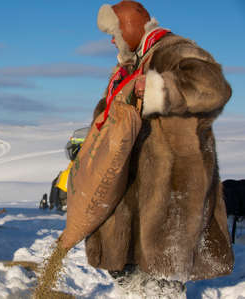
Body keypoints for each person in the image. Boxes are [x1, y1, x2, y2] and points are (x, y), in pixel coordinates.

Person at [84, 1, 234, 296]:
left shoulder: (175, 50)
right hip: (134, 182)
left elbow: (213, 87)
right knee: (127, 269)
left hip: (173, 184)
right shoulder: (129, 68)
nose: (111, 40)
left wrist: (158, 90)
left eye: (113, 31)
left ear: (130, 24)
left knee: (162, 278)